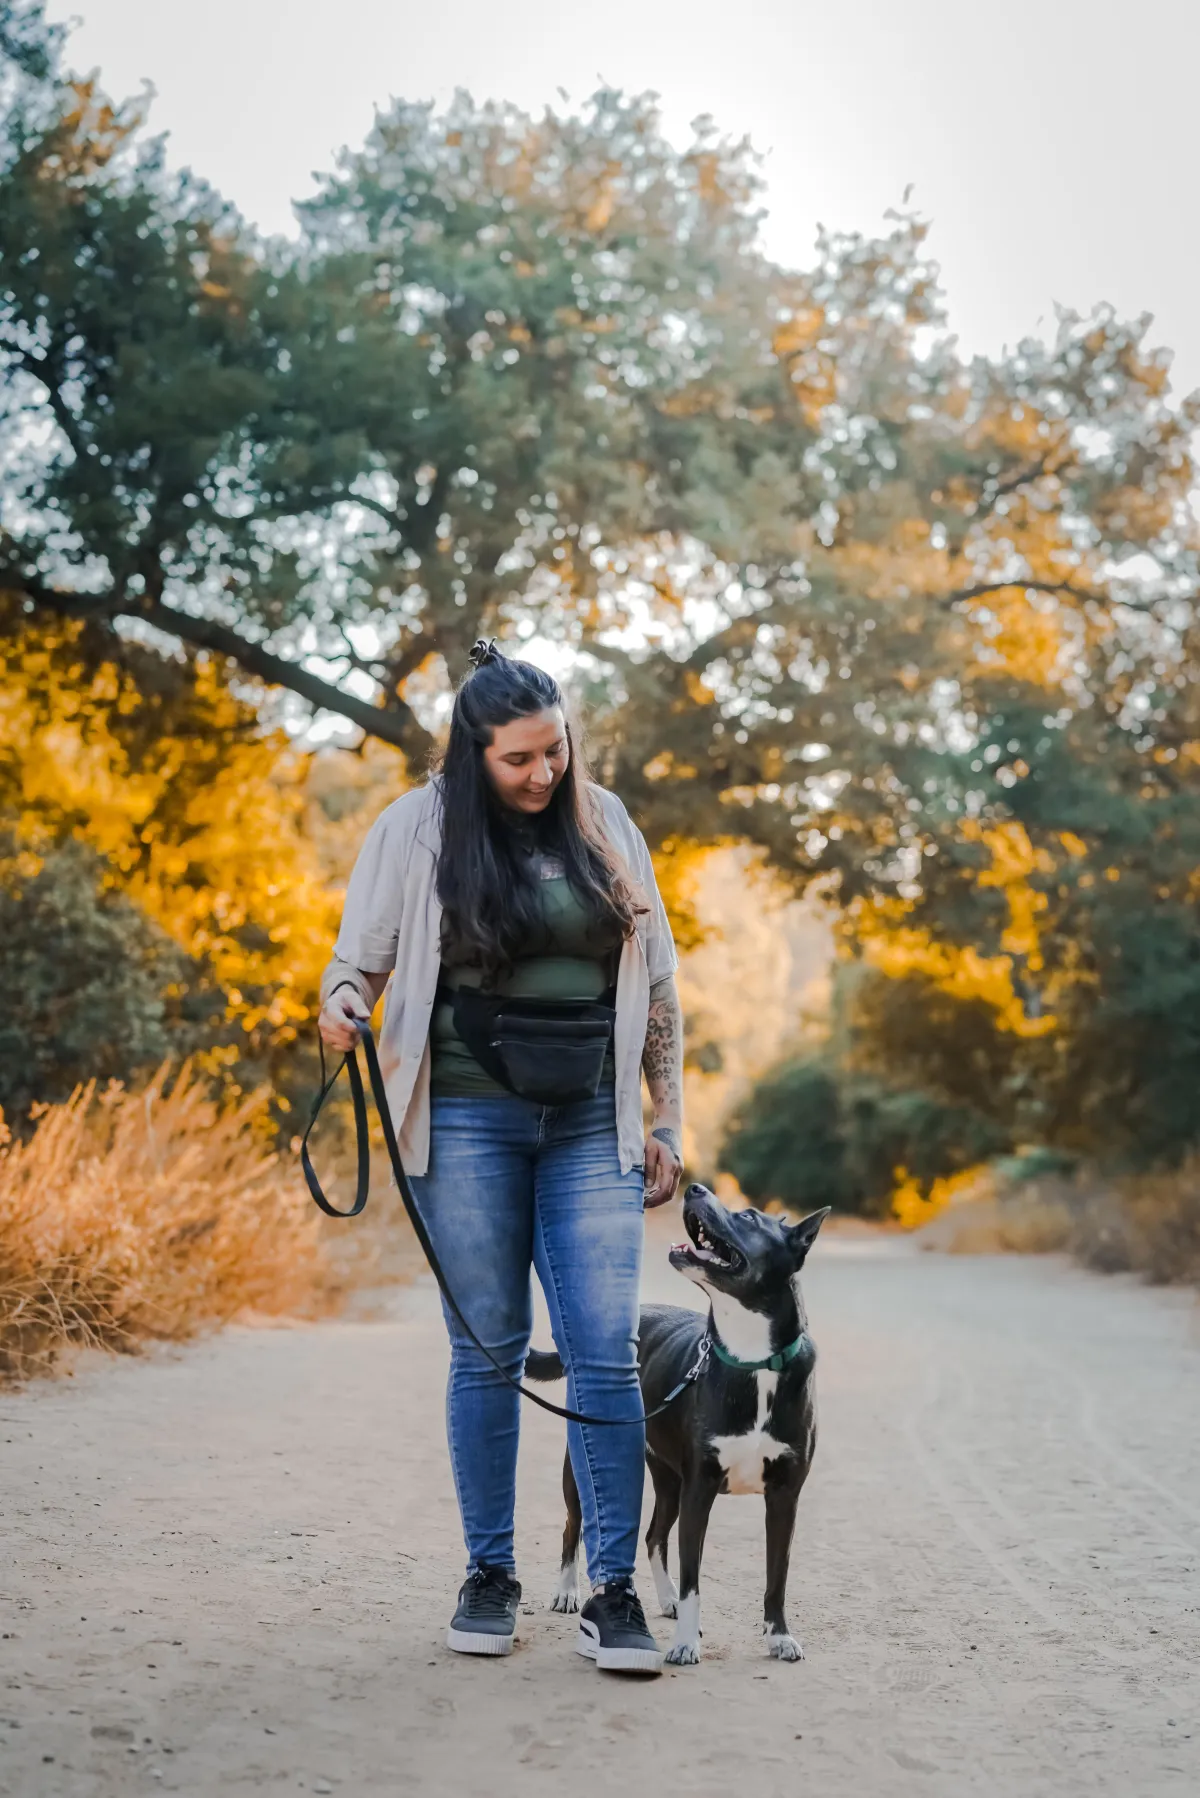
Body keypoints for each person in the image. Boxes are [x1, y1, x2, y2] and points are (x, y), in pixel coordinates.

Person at [317, 640, 684, 1675]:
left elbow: (658, 983)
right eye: (518, 758)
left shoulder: (606, 823)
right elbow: (355, 967)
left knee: (604, 1349)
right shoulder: (416, 827)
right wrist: (341, 1007)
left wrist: (667, 1121)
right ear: (473, 752)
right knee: (486, 1349)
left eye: (554, 749)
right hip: (466, 1120)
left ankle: (612, 1591)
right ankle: (489, 1574)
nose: (542, 772)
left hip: (592, 1122)